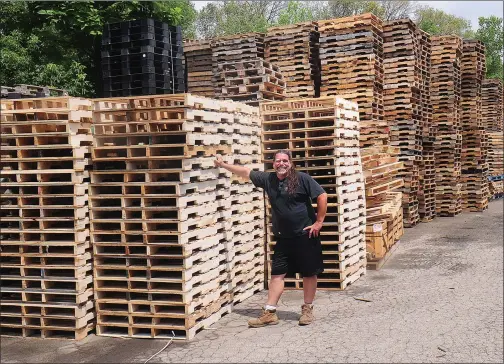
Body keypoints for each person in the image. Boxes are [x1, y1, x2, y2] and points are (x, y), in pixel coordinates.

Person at [214, 149, 327, 327]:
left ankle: (307, 309)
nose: (281, 164)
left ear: (290, 163)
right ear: (273, 163)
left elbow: (322, 195)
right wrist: (222, 165)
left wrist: (319, 222)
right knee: (277, 274)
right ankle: (270, 312)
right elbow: (245, 172)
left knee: (309, 273)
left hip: (306, 235)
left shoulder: (302, 179)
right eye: (278, 161)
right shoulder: (269, 179)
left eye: (285, 161)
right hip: (283, 237)